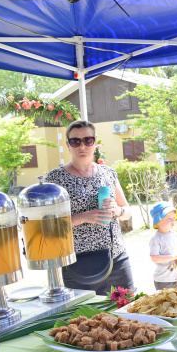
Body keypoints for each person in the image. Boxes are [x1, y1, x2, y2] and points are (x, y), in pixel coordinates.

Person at [46, 120, 134, 294]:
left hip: (115, 257)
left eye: (88, 140)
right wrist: (83, 217)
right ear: (67, 145)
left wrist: (116, 210)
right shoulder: (55, 178)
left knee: (128, 309)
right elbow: (49, 224)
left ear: (95, 142)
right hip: (78, 263)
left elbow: (127, 211)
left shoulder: (108, 173)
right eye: (75, 141)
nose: (82, 146)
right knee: (87, 319)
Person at [149, 202, 177, 291]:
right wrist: (173, 257)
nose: (173, 221)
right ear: (158, 221)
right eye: (168, 218)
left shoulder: (175, 235)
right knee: (166, 303)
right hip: (164, 280)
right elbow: (155, 258)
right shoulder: (156, 239)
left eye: (174, 218)